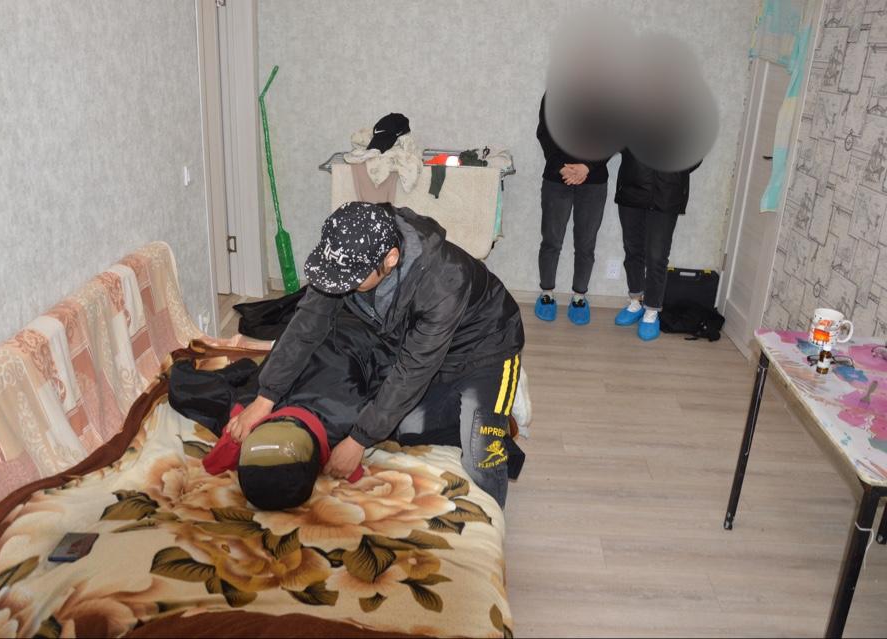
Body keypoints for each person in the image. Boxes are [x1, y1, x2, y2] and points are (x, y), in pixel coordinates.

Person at [227, 202, 525, 507]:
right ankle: (472, 415)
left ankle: (491, 444)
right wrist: (265, 398)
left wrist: (358, 440)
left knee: (481, 451)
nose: (341, 284)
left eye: (352, 278)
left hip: (486, 346)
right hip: (423, 344)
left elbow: (412, 371)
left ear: (390, 258)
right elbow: (305, 326)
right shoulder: (350, 247)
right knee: (404, 428)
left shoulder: (445, 281)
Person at [535, 94, 610, 325]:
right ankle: (546, 293)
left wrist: (587, 167)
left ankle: (579, 297)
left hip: (594, 181)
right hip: (557, 178)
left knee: (586, 243)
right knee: (551, 240)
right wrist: (561, 167)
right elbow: (545, 133)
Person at [613, 148, 701, 341]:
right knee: (632, 250)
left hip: (667, 193)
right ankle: (635, 302)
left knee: (657, 256)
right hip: (632, 189)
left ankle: (651, 311)